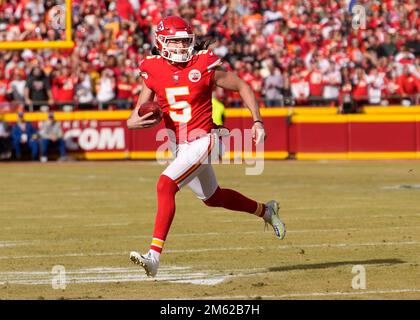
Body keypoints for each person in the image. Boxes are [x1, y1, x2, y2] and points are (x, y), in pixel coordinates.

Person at [127, 16, 286, 278]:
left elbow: (242, 86)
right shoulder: (151, 68)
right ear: (162, 43)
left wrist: (257, 121)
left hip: (206, 139)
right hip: (180, 145)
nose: (181, 47)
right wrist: (139, 121)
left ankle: (153, 256)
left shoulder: (203, 63)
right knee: (213, 198)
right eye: (175, 42)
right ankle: (266, 211)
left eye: (184, 42)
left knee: (165, 184)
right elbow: (134, 117)